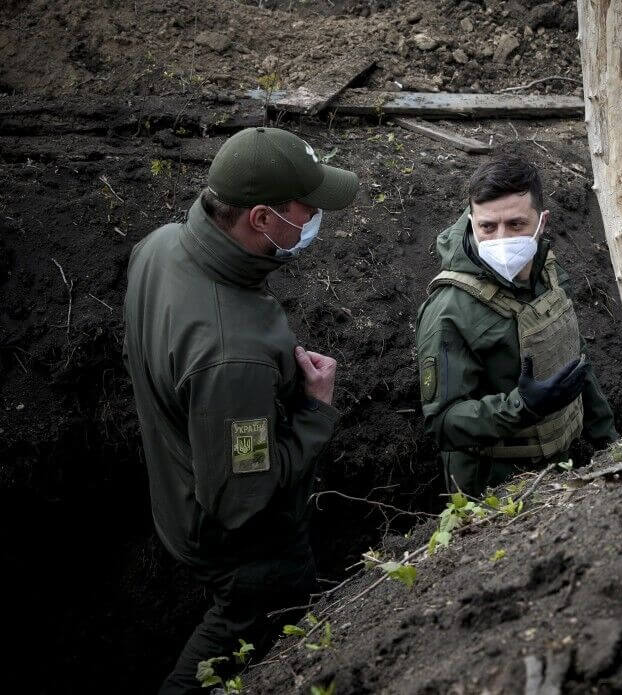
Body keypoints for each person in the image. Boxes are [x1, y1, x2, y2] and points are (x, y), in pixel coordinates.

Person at [123, 126, 359, 694]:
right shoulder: (234, 354)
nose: (314, 221)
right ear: (260, 219)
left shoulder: (160, 247)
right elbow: (241, 500)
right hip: (247, 552)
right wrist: (314, 411)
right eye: (307, 210)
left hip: (177, 499)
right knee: (228, 649)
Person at [416, 154, 619, 496]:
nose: (500, 239)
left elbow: (576, 361)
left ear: (542, 222)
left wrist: (608, 444)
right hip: (493, 487)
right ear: (471, 222)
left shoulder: (548, 271)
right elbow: (442, 424)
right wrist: (522, 406)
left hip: (561, 465)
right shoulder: (449, 309)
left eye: (516, 225)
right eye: (487, 227)